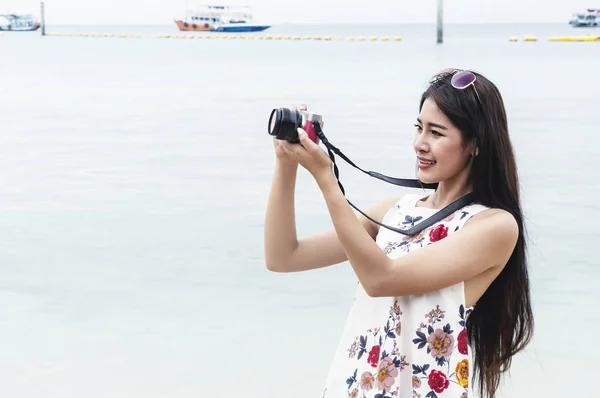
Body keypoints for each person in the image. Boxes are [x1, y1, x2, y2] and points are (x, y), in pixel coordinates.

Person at [263, 69, 534, 398]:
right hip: (352, 386)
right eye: (419, 128)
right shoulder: (393, 211)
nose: (420, 143)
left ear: (475, 144)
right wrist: (285, 162)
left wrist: (325, 178)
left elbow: (382, 279)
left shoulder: (493, 225)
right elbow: (283, 256)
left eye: (436, 133)